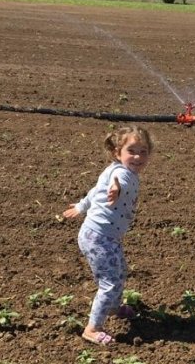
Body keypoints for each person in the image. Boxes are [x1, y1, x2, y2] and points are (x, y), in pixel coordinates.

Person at [63, 125, 152, 345]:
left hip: (105, 236)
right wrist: (116, 188)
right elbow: (116, 182)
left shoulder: (118, 169)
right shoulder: (121, 173)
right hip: (98, 237)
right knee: (110, 281)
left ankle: (113, 307)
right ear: (117, 153)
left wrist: (82, 206)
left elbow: (96, 190)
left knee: (120, 272)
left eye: (143, 151)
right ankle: (92, 328)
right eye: (131, 151)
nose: (138, 156)